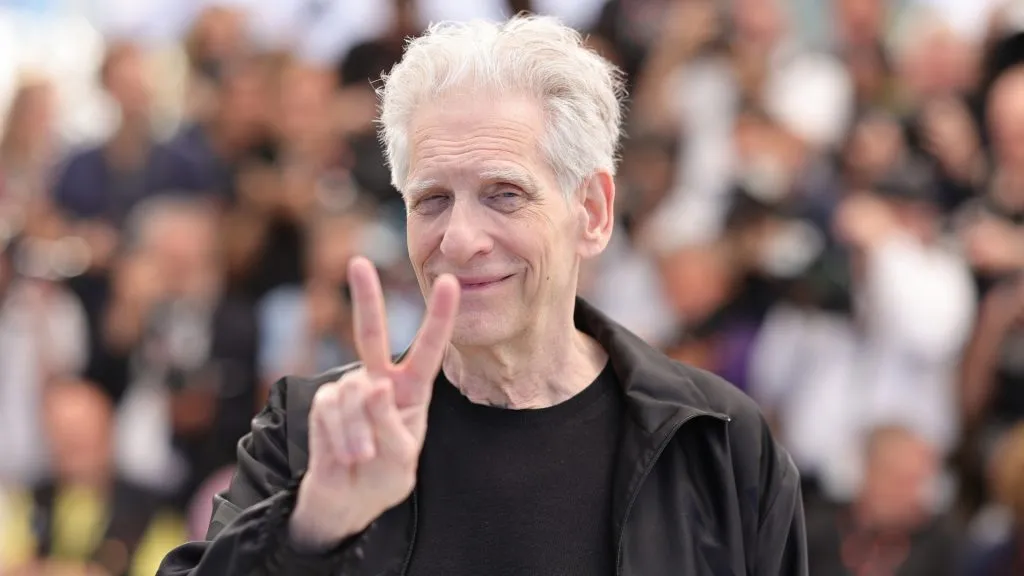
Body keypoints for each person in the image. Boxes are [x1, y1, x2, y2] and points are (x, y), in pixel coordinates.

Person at [158, 15, 807, 575]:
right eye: (432, 200)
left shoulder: (716, 442)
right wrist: (314, 528)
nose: (460, 239)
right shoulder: (315, 432)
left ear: (593, 211)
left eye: (504, 194)